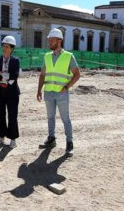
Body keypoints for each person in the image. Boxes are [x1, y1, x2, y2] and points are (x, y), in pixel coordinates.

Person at [37, 28, 80, 157]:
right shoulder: (47, 56)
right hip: (48, 92)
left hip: (62, 93)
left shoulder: (68, 56)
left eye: (52, 40)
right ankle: (51, 139)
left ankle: (69, 143)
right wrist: (39, 90)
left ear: (59, 41)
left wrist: (66, 87)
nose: (49, 42)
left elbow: (77, 75)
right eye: (49, 40)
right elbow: (42, 75)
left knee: (65, 119)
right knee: (50, 118)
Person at [0, 36, 20, 148]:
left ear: (12, 48)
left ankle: (13, 139)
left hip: (12, 92)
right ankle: (1, 136)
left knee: (12, 115)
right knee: (0, 114)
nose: (4, 48)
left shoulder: (16, 61)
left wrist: (2, 74)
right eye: (3, 46)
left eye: (7, 46)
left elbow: (15, 75)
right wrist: (6, 76)